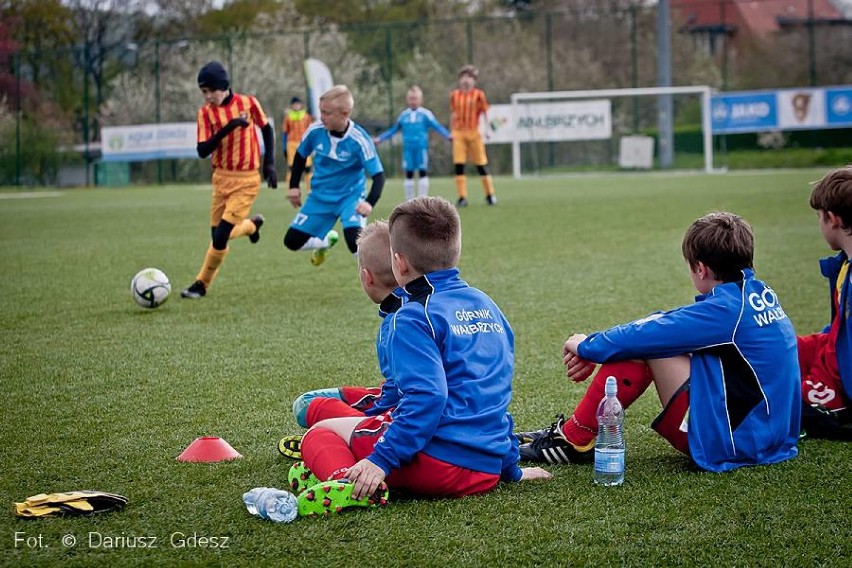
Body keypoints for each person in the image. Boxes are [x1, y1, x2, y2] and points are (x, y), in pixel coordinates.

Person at [290, 196, 550, 516]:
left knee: (322, 432)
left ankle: (347, 484)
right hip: (486, 470)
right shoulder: (487, 305)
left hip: (439, 465)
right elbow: (495, 392)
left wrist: (380, 460)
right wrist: (512, 468)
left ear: (400, 263)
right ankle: (357, 467)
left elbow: (428, 396)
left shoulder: (412, 317)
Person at [518, 212, 801, 473]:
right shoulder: (758, 294)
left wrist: (587, 346)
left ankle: (573, 439)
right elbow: (674, 322)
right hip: (772, 437)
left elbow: (650, 332)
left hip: (733, 445)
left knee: (644, 346)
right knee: (657, 338)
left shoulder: (726, 311)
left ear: (700, 269)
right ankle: (572, 435)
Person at [278, 220, 405, 458]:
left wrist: (360, 426)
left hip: (402, 418)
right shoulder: (427, 304)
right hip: (414, 404)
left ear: (366, 277)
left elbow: (402, 398)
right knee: (309, 401)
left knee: (307, 407)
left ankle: (342, 443)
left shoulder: (400, 324)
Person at [181, 61, 277, 299]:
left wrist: (270, 163)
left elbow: (266, 129)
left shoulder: (248, 103)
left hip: (246, 180)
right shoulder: (205, 113)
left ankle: (201, 284)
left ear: (223, 86)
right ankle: (251, 226)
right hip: (221, 179)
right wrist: (230, 126)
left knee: (221, 235)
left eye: (210, 90)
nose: (208, 96)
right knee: (218, 236)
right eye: (203, 92)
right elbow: (203, 150)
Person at [283, 85, 384, 266]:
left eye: (327, 113)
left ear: (344, 113)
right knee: (291, 242)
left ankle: (387, 289)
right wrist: (293, 186)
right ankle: (325, 242)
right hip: (320, 197)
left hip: (350, 197)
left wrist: (369, 203)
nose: (322, 117)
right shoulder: (315, 131)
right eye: (321, 111)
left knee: (355, 244)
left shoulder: (359, 139)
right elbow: (299, 156)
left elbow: (378, 175)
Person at [798, 166, 852, 439]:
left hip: (839, 376)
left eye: (819, 216)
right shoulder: (844, 266)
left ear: (831, 218)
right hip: (829, 348)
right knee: (776, 348)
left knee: (780, 398)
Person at [373, 85, 451, 201]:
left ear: (421, 100)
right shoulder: (403, 115)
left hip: (421, 148)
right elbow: (394, 130)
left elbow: (437, 126)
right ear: (407, 99)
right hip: (408, 149)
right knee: (408, 174)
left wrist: (447, 135)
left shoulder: (426, 114)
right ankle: (409, 201)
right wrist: (380, 138)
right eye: (411, 98)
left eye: (415, 98)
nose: (413, 101)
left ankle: (422, 199)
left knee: (422, 172)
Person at [450, 64, 496, 207]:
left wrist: (487, 129)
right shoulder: (454, 95)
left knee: (481, 164)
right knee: (459, 165)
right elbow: (453, 113)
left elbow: (485, 112)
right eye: (463, 77)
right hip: (459, 133)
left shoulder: (479, 95)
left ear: (474, 80)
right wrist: (451, 130)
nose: (466, 80)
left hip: (474, 132)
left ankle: (490, 194)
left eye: (469, 77)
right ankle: (462, 197)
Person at [282, 96, 313, 190]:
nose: (296, 106)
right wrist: (284, 147)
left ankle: (310, 188)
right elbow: (285, 132)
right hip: (291, 143)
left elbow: (310, 131)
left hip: (304, 143)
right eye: (295, 104)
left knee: (307, 167)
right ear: (292, 106)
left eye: (298, 104)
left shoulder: (307, 117)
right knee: (292, 167)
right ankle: (291, 188)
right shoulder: (288, 117)